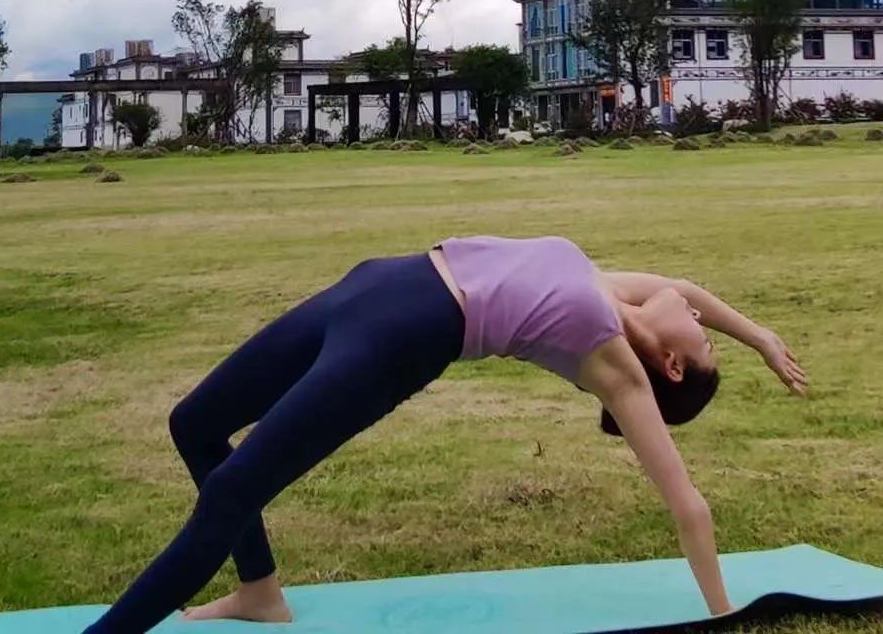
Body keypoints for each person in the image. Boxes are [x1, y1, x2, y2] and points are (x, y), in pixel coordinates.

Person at [83, 235, 807, 634]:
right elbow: (692, 289)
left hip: (399, 339)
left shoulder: (613, 361)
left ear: (671, 367)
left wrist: (723, 612)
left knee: (234, 490)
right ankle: (259, 591)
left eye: (705, 342)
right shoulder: (616, 291)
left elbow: (686, 504)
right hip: (368, 287)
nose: (702, 316)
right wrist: (760, 336)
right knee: (195, 424)